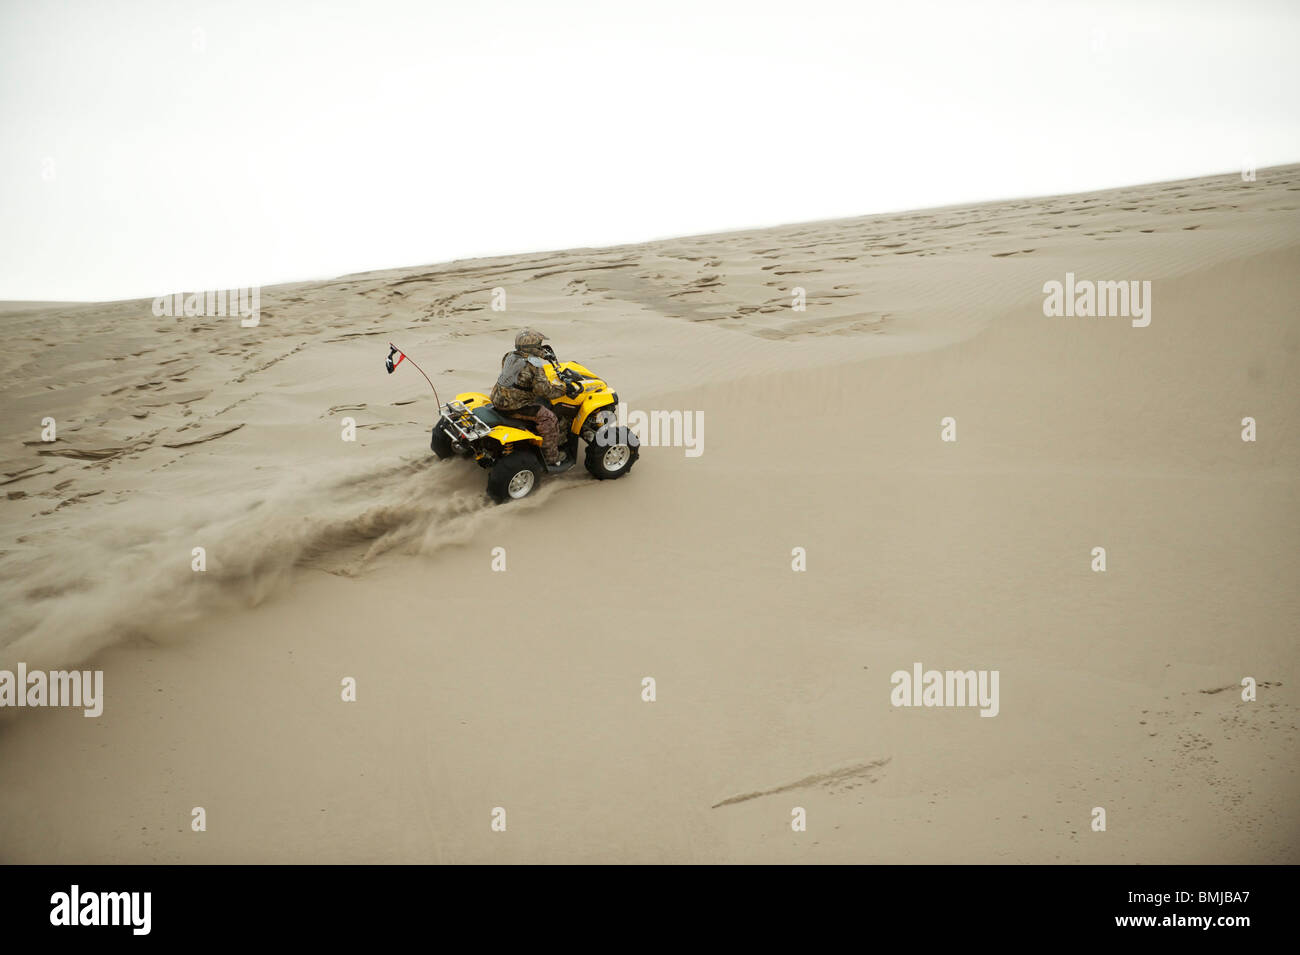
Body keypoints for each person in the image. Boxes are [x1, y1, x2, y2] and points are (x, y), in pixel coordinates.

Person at [490, 328, 581, 469]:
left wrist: (543, 354)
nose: (541, 347)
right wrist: (565, 389)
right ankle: (552, 457)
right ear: (532, 347)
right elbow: (545, 391)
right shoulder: (534, 365)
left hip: (498, 398)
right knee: (549, 418)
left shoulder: (509, 356)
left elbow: (520, 379)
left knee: (537, 401)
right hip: (515, 405)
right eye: (539, 345)